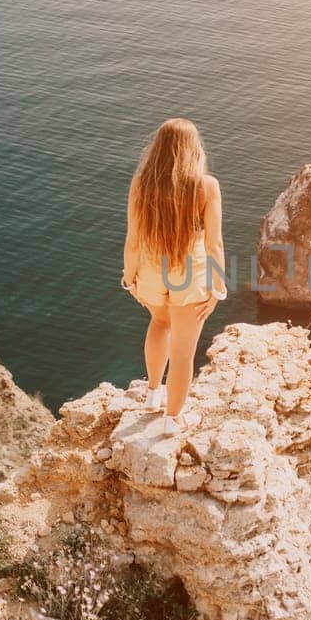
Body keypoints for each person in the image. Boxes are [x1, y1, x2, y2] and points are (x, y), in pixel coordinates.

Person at [120, 119, 227, 427]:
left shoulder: (142, 182)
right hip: (189, 273)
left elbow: (133, 240)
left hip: (152, 269)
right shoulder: (206, 185)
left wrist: (130, 280)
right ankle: (172, 419)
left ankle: (153, 393)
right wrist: (217, 289)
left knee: (159, 322)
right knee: (182, 352)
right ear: (193, 148)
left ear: (158, 147)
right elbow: (214, 244)